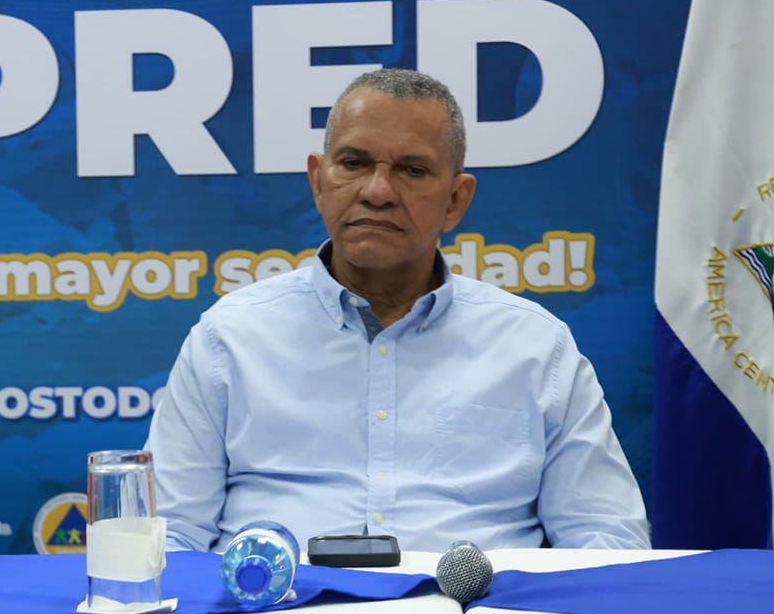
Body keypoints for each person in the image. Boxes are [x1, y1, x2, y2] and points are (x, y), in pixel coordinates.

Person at [146, 66, 649, 553]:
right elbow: (167, 537)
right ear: (319, 182)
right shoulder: (229, 337)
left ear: (456, 200)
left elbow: (606, 537)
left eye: (412, 170)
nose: (378, 192)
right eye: (354, 163)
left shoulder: (536, 347)